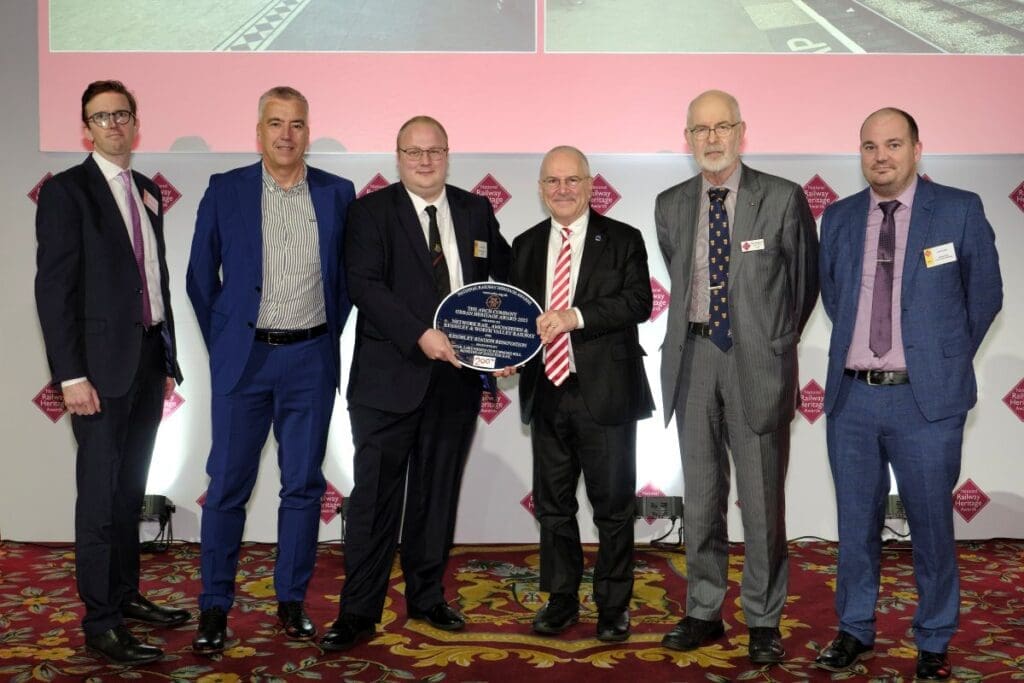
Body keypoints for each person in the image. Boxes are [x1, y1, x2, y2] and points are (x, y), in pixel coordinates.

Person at [814, 108, 1002, 681]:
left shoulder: (959, 209)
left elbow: (984, 295)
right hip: (852, 399)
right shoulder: (839, 217)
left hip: (926, 402)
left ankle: (934, 636)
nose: (881, 157)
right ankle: (854, 629)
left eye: (893, 144)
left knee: (931, 526)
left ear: (917, 150)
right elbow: (834, 296)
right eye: (870, 146)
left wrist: (939, 359)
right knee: (855, 525)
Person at [319, 115, 511, 651]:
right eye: (413, 152)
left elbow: (501, 277)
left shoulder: (475, 209)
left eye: (434, 151)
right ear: (398, 156)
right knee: (375, 503)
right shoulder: (369, 211)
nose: (425, 161)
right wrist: (419, 335)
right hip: (387, 382)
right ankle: (358, 613)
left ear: (448, 154)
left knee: (435, 498)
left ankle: (427, 598)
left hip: (456, 384)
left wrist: (507, 344)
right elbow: (364, 286)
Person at [186, 86, 355, 654]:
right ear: (258, 131)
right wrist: (227, 342)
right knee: (227, 486)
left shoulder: (338, 193)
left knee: (302, 487)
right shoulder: (225, 189)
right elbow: (199, 278)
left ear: (308, 132)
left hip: (310, 360)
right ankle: (214, 605)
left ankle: (291, 601)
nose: (287, 134)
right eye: (276, 123)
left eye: (297, 124)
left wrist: (321, 334)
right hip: (245, 363)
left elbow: (344, 282)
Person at [656, 89, 819, 664]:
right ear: (687, 138)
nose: (712, 138)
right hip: (694, 360)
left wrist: (770, 340)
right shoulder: (670, 204)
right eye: (700, 129)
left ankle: (763, 618)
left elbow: (803, 286)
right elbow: (679, 273)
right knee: (701, 500)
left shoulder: (782, 197)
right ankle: (703, 610)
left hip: (756, 363)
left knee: (762, 501)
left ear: (741, 132)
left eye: (722, 127)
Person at [34, 80, 187, 664]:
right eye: (102, 117)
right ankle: (100, 621)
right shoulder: (66, 192)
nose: (114, 124)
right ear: (86, 129)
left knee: (128, 493)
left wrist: (167, 358)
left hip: (146, 362)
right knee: (99, 500)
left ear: (135, 122)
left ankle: (125, 595)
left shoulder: (146, 190)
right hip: (96, 374)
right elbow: (54, 290)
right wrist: (70, 375)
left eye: (122, 114)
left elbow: (155, 280)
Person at [508, 146, 653, 642]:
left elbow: (638, 301)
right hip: (546, 392)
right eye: (552, 181)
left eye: (572, 180)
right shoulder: (525, 245)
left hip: (606, 394)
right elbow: (515, 319)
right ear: (540, 189)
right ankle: (562, 599)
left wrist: (575, 316)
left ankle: (613, 605)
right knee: (553, 507)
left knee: (613, 507)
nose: (563, 189)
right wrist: (506, 353)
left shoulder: (624, 239)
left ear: (591, 185)